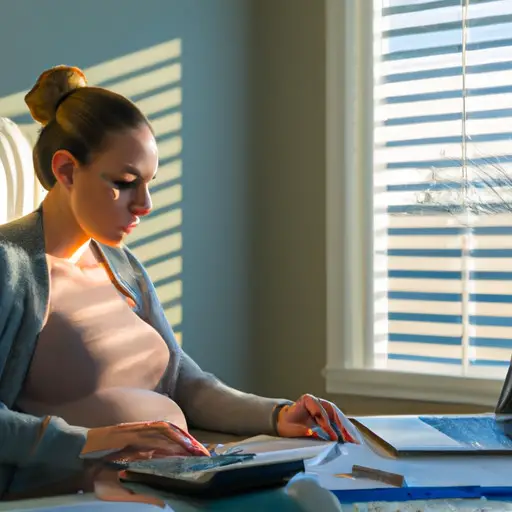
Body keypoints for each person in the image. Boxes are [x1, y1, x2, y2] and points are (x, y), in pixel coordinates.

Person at [0, 65, 359, 502]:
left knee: (321, 497)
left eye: (149, 184)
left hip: (171, 482)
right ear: (67, 171)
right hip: (79, 495)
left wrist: (278, 415)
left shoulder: (123, 266)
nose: (145, 204)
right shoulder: (11, 266)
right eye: (125, 182)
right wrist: (99, 442)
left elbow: (185, 384)